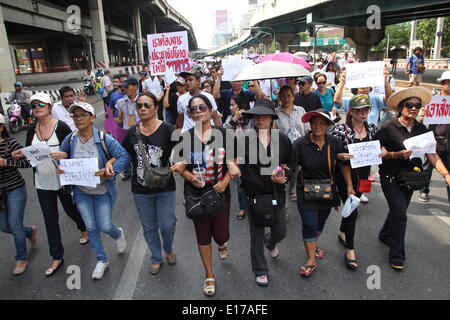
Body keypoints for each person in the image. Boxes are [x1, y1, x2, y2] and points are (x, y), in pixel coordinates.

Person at [375, 87, 450, 271]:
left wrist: (446, 175)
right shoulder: (387, 128)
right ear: (401, 107)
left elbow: (432, 154)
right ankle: (397, 255)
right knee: (400, 213)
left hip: (410, 179)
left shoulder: (421, 128)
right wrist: (395, 155)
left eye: (417, 105)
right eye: (410, 104)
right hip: (389, 177)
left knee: (398, 211)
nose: (414, 108)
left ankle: (385, 234)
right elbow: (377, 154)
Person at [171, 94, 239, 297]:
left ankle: (222, 243)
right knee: (202, 236)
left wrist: (225, 181)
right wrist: (190, 177)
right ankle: (209, 274)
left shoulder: (224, 134)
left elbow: (235, 163)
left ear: (210, 110)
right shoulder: (186, 137)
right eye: (193, 109)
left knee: (220, 235)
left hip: (219, 192)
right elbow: (180, 167)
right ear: (189, 114)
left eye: (202, 108)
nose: (198, 112)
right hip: (196, 195)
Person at [17, 93, 88, 276]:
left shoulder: (61, 127)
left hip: (63, 181)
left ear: (49, 107)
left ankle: (84, 228)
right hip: (42, 182)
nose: (37, 107)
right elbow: (29, 158)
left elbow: (74, 149)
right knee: (50, 220)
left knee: (71, 209)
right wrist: (18, 155)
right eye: (34, 105)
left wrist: (64, 155)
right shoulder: (32, 130)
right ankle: (57, 257)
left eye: (41, 104)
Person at [58, 102, 131, 280]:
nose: (78, 119)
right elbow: (63, 160)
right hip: (81, 192)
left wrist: (110, 170)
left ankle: (118, 233)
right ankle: (101, 260)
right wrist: (61, 166)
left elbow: (124, 156)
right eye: (75, 116)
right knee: (91, 227)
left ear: (92, 118)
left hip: (102, 191)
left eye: (82, 115)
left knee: (105, 226)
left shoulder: (104, 138)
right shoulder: (70, 140)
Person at [239, 99, 295, 286]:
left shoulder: (283, 140)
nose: (260, 118)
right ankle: (260, 269)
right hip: (253, 195)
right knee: (256, 235)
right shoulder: (243, 139)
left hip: (276, 193)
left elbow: (291, 165)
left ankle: (270, 242)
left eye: (264, 115)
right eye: (256, 115)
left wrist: (284, 175)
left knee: (280, 231)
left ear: (272, 118)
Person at [293, 109, 355, 277]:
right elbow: (290, 165)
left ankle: (314, 242)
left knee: (319, 224)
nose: (318, 126)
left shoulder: (334, 142)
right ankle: (311, 260)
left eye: (322, 123)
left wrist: (349, 186)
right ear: (310, 124)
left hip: (327, 190)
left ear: (328, 125)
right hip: (305, 190)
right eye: (314, 122)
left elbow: (343, 165)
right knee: (309, 224)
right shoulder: (300, 143)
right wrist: (280, 173)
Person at [122, 93, 177, 275]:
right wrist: (109, 167)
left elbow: (183, 152)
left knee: (167, 224)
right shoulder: (131, 133)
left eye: (147, 105)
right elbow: (124, 156)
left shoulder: (168, 129)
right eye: (139, 106)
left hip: (165, 186)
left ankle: (168, 249)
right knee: (149, 227)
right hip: (140, 189)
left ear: (155, 107)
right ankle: (155, 257)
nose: (143, 109)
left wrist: (183, 166)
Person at [330, 95, 382, 270]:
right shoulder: (339, 130)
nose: (364, 113)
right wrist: (339, 155)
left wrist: (382, 151)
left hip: (364, 177)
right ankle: (350, 250)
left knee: (353, 206)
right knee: (353, 211)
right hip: (345, 178)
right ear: (351, 111)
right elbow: (331, 152)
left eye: (366, 109)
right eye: (359, 110)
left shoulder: (373, 129)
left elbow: (379, 147)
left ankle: (342, 231)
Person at [0, 113, 36, 276]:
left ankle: (21, 259)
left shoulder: (11, 144)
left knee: (14, 225)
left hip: (15, 189)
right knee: (5, 226)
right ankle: (29, 231)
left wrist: (7, 162)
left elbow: (28, 162)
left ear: (1, 127)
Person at [418, 71, 450, 203]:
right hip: (433, 142)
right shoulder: (432, 101)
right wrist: (422, 115)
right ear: (442, 84)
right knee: (427, 168)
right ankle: (424, 190)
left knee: (447, 172)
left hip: (449, 144)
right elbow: (422, 120)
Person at [274, 85, 308, 206]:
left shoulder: (301, 110)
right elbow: (274, 133)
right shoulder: (275, 113)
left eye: (289, 95)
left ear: (293, 96)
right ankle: (284, 195)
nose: (286, 98)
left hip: (300, 147)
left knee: (296, 171)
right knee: (286, 171)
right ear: (279, 98)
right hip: (284, 150)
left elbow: (307, 128)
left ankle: (291, 191)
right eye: (283, 96)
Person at [223, 95, 253, 220]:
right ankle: (242, 207)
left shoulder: (251, 118)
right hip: (237, 156)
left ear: (241, 106)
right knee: (240, 184)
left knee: (253, 182)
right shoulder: (230, 118)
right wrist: (235, 118)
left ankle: (253, 204)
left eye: (232, 105)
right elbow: (223, 132)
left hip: (253, 155)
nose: (230, 107)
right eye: (230, 105)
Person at [176, 68, 222, 133]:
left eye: (190, 80)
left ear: (198, 82)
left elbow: (215, 118)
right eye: (186, 80)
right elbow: (180, 120)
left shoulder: (209, 97)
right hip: (188, 137)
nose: (188, 83)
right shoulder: (181, 99)